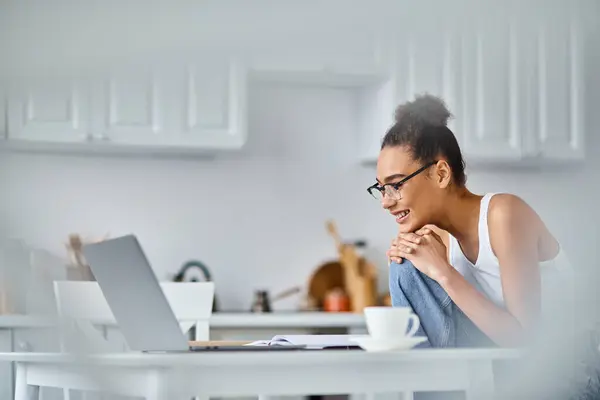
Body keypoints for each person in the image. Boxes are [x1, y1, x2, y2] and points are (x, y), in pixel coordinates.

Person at [367, 94, 571, 348]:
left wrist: (443, 272)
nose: (385, 202)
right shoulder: (432, 238)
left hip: (566, 366)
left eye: (395, 185)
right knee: (405, 264)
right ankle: (427, 381)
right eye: (381, 188)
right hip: (503, 367)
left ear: (441, 174)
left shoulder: (504, 215)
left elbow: (528, 343)